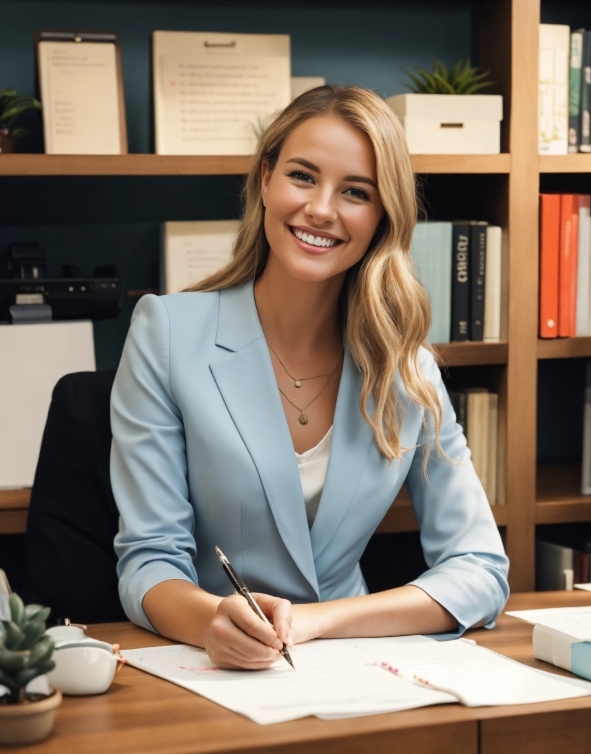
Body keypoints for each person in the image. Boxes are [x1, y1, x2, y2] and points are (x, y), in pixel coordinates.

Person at [110, 85, 509, 670]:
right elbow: (147, 560)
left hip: (355, 669)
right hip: (209, 667)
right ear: (265, 179)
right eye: (302, 176)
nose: (322, 209)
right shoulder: (166, 332)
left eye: (355, 192)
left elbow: (480, 567)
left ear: (381, 217)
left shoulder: (408, 368)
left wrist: (320, 621)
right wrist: (208, 622)